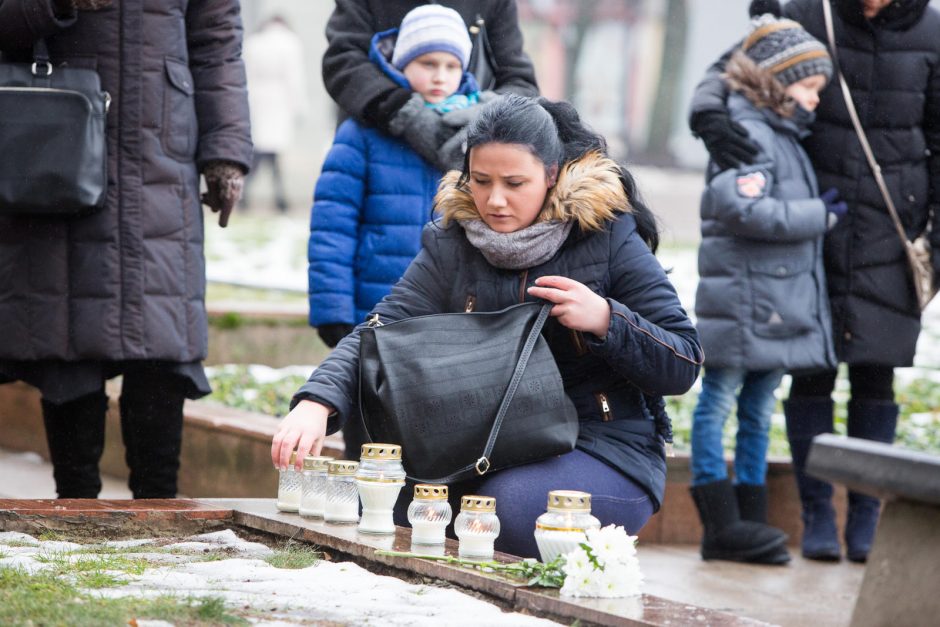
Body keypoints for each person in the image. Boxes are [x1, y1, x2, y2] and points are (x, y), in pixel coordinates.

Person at [274, 94, 703, 558]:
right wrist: (318, 401)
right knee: (391, 507)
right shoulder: (452, 242)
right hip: (482, 440)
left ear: (553, 174)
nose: (494, 200)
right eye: (481, 181)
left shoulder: (607, 234)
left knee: (499, 514)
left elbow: (683, 360)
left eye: (515, 183)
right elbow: (382, 329)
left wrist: (606, 320)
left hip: (601, 444)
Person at [688, 0, 940, 562]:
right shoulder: (806, 11)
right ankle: (817, 515)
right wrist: (709, 115)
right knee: (811, 374)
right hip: (812, 223)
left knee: (878, 379)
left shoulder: (933, 30)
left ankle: (868, 519)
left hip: (889, 232)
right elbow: (730, 69)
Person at [0, 0, 252, 499]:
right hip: (56, 141)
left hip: (161, 150)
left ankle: (158, 506)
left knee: (162, 340)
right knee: (67, 340)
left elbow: (218, 43)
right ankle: (74, 503)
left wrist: (227, 151)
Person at [689, 9, 839, 566]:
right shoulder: (748, 131)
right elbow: (739, 206)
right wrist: (816, 215)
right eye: (807, 86)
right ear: (776, 82)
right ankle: (720, 520)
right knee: (720, 403)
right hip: (743, 299)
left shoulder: (783, 133)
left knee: (757, 409)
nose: (814, 99)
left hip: (771, 302)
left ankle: (751, 521)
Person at [309, 4, 483, 351]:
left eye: (451, 66)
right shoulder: (362, 134)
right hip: (373, 304)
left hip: (447, 313)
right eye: (428, 63)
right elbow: (332, 227)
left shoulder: (476, 137)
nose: (440, 76)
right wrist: (332, 310)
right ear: (402, 63)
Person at [321, 0, 539, 174]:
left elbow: (521, 82)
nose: (440, 76)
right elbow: (342, 61)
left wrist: (480, 120)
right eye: (429, 64)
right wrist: (405, 113)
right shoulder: (356, 139)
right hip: (377, 145)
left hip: (464, 169)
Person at [243, 15, 307, 213]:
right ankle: (277, 199)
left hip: (258, 100)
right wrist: (299, 107)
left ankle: (253, 195)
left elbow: (246, 74)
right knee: (269, 153)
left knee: (264, 152)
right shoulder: (290, 43)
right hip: (280, 101)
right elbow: (294, 77)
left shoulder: (254, 43)